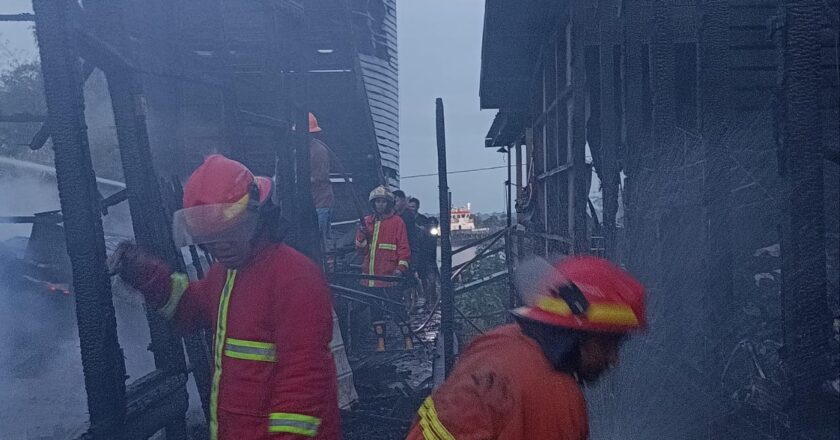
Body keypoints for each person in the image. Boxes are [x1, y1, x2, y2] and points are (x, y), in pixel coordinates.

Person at [110, 155, 340, 439]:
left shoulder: (295, 277)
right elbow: (191, 308)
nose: (220, 247)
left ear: (256, 215)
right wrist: (145, 275)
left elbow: (304, 381)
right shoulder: (226, 273)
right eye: (211, 237)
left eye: (230, 232)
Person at [405, 256, 646, 440]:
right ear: (577, 335)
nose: (613, 359)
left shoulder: (498, 340)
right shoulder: (556, 401)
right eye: (609, 344)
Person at [355, 186, 412, 351]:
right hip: (371, 276)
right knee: (376, 312)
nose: (380, 205)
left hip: (389, 276)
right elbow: (361, 250)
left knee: (397, 309)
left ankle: (408, 339)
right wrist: (361, 236)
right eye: (377, 202)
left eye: (383, 202)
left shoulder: (397, 222)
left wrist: (400, 269)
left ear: (388, 204)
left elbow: (404, 249)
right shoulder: (367, 222)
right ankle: (381, 343)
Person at [308, 113, 334, 241]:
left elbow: (319, 177)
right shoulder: (299, 149)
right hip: (310, 202)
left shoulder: (319, 151)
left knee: (319, 241)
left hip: (320, 203)